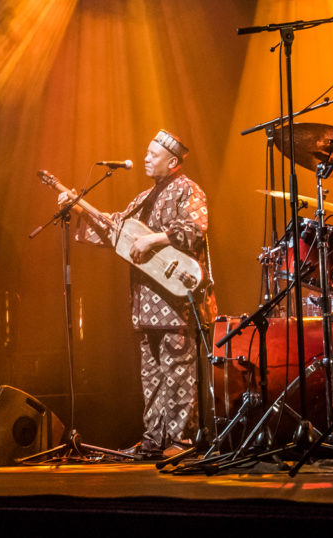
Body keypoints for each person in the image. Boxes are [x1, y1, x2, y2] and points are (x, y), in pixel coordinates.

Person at [59, 130, 216, 458]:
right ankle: (153, 441)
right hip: (146, 303)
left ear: (172, 162)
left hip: (177, 300)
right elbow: (113, 227)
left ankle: (181, 442)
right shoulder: (144, 198)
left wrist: (155, 239)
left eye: (152, 154)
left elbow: (194, 230)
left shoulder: (188, 190)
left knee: (178, 372)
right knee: (152, 375)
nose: (145, 158)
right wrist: (78, 209)